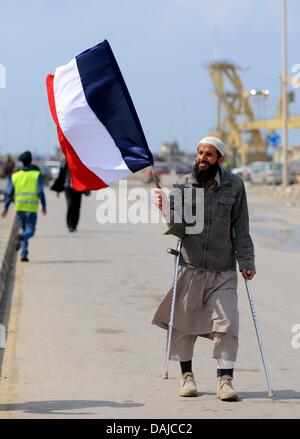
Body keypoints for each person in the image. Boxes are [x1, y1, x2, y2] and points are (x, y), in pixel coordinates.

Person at [152, 136, 256, 401]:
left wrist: (247, 262)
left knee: (228, 323)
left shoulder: (234, 186)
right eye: (199, 153)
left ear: (220, 159)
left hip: (223, 269)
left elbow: (241, 228)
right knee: (184, 326)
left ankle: (225, 381)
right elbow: (178, 228)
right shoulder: (185, 185)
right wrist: (165, 208)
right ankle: (187, 377)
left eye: (208, 154)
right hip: (190, 266)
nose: (202, 158)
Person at [1, 151, 47, 262]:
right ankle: (20, 238)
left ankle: (24, 254)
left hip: (19, 208)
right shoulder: (36, 175)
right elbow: (40, 191)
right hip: (31, 209)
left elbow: (10, 193)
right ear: (31, 161)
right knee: (30, 231)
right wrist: (44, 205)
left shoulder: (16, 175)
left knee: (24, 229)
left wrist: (6, 208)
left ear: (21, 162)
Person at [51, 159, 89, 232]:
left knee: (77, 206)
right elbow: (61, 176)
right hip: (68, 187)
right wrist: (58, 190)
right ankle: (70, 225)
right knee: (70, 205)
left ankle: (74, 225)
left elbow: (85, 173)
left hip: (79, 186)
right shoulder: (65, 162)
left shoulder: (80, 159)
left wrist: (87, 188)